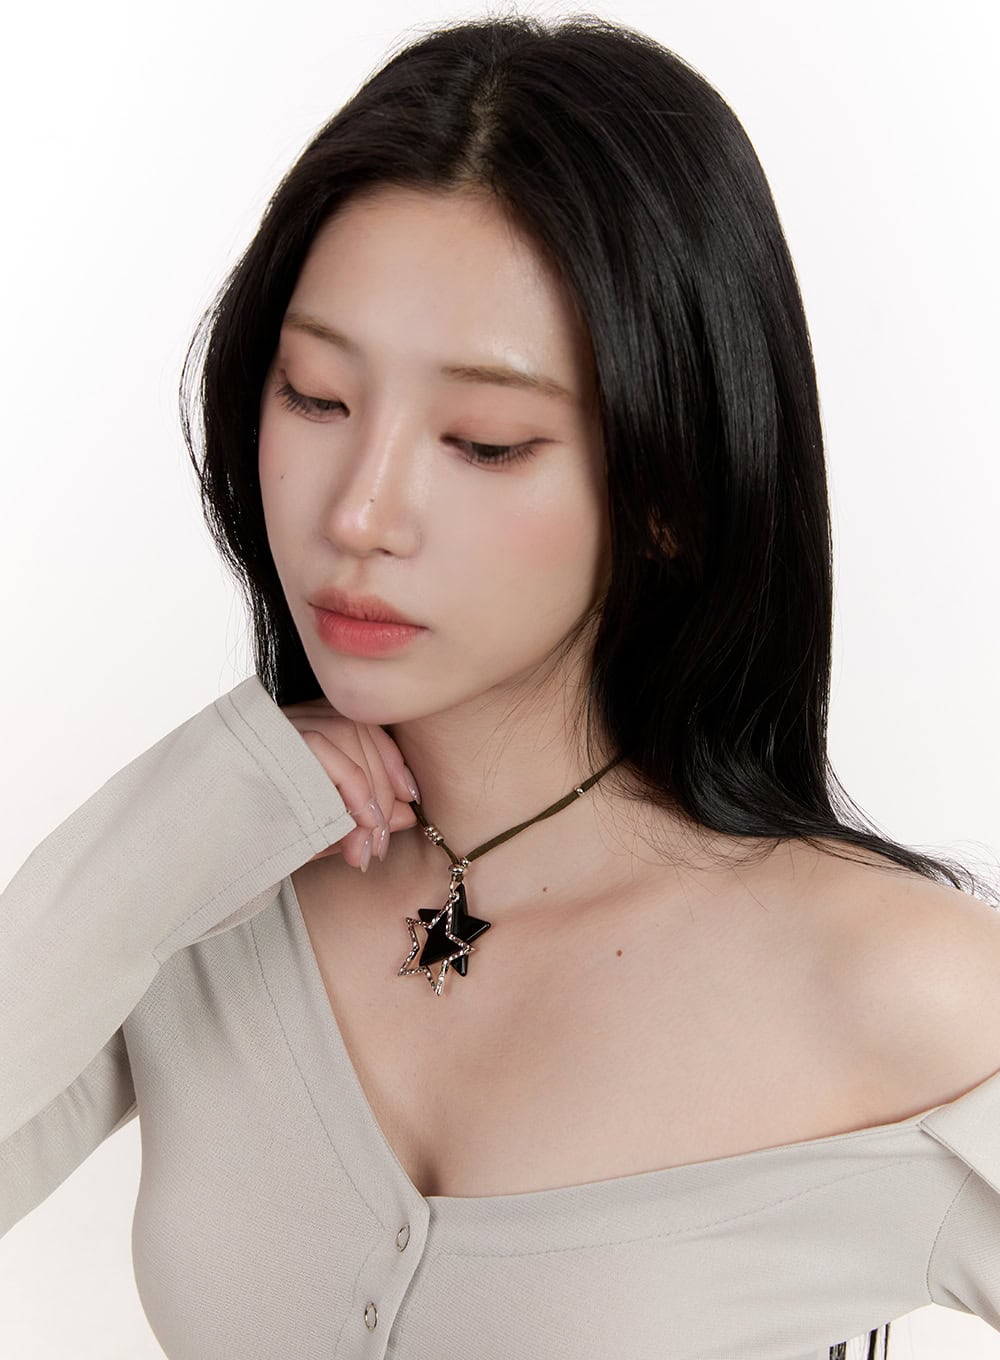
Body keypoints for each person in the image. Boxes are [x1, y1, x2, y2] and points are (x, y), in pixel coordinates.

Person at [2, 12, 999, 1360]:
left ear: (669, 495)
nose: (359, 513)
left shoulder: (909, 988)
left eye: (484, 441)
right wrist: (193, 808)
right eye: (315, 397)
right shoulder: (208, 894)